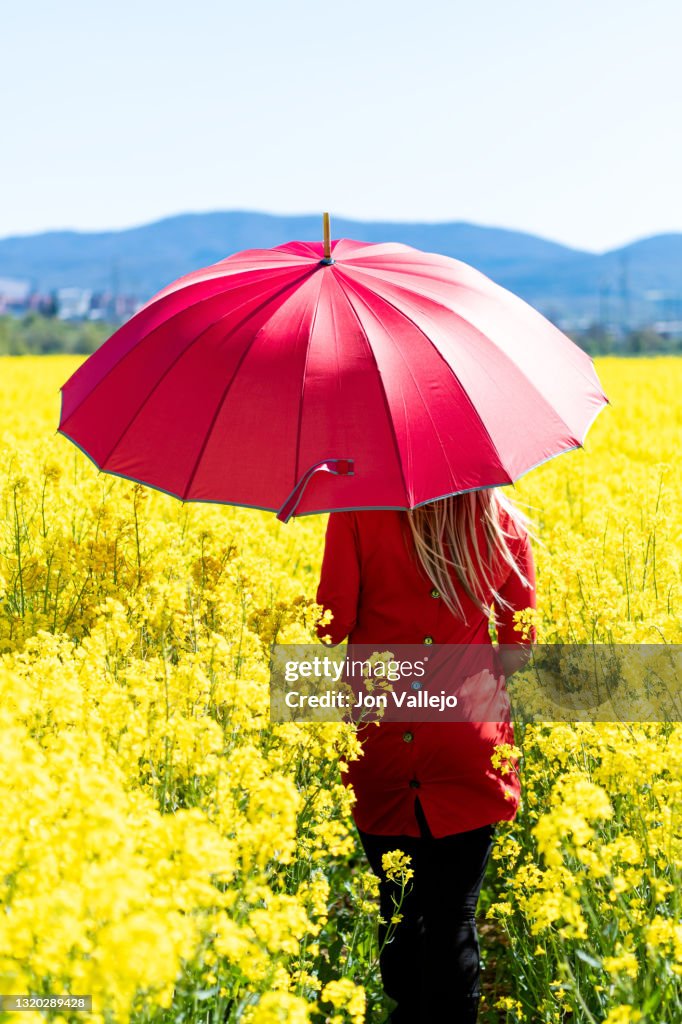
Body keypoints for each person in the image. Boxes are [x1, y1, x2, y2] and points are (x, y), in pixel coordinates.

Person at [315, 489, 536, 1024]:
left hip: (383, 738)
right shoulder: (503, 520)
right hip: (467, 739)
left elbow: (330, 626)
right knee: (453, 918)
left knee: (399, 909)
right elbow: (518, 649)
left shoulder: (357, 512)